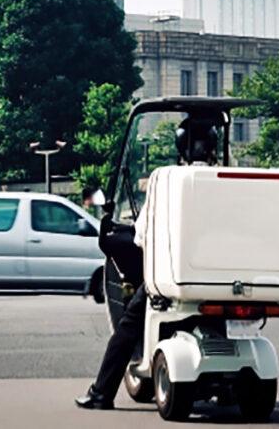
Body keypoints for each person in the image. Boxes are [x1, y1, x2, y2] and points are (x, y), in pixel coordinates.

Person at [75, 118, 218, 410]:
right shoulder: (226, 180)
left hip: (173, 279)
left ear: (181, 149)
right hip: (226, 280)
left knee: (128, 326)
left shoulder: (168, 182)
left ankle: (101, 393)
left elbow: (141, 236)